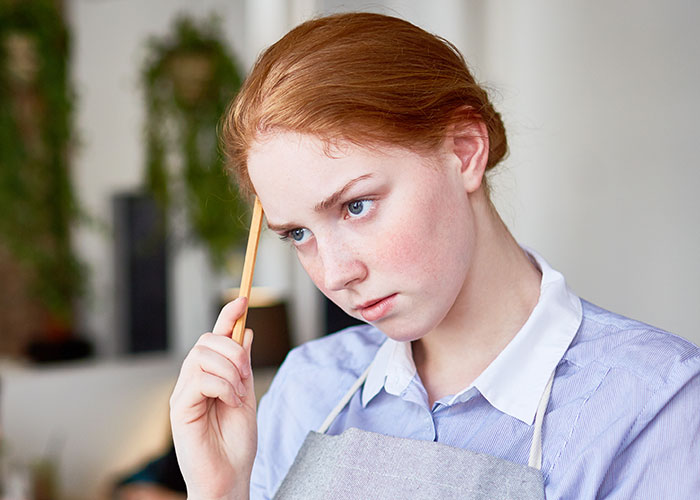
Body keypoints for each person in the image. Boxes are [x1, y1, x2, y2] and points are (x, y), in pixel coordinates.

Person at [168, 12, 700, 500]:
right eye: (298, 234)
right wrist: (220, 491)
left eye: (356, 205)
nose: (335, 274)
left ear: (465, 150)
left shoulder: (653, 401)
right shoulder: (308, 386)